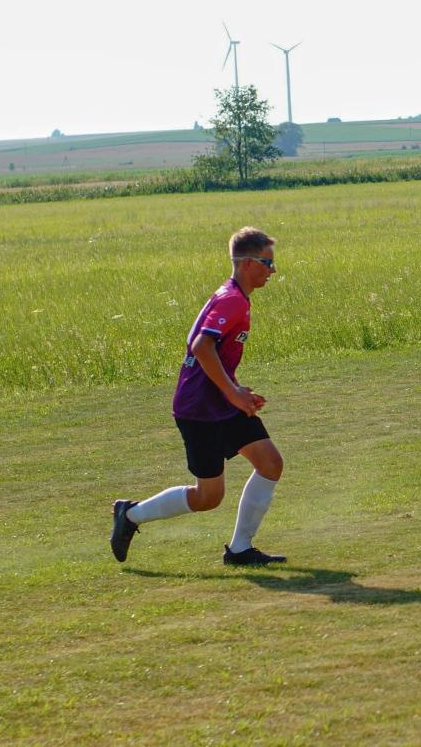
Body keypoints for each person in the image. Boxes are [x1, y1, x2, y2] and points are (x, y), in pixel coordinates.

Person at [109, 227, 288, 566]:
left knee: (270, 463)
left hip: (221, 404)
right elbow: (201, 346)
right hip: (199, 409)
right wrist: (233, 391)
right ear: (248, 263)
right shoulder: (232, 299)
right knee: (208, 497)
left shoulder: (234, 296)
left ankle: (239, 550)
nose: (272, 270)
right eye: (267, 263)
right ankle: (130, 515)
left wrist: (236, 391)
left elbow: (210, 351)